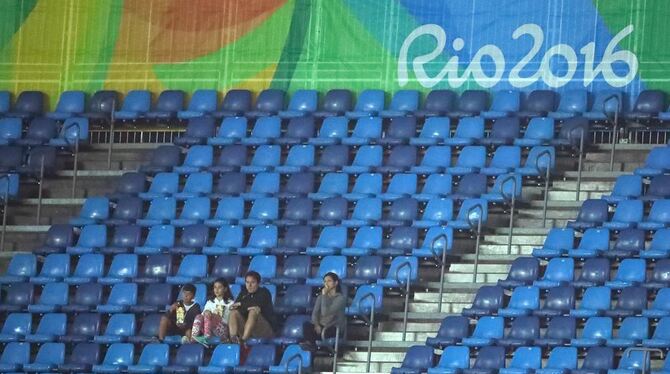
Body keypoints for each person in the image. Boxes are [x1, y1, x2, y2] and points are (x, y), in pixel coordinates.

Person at [302, 272, 346, 350]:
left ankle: (312, 345)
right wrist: (316, 325)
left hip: (333, 327)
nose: (326, 283)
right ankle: (311, 345)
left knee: (315, 333)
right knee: (306, 325)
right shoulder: (321, 297)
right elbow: (315, 314)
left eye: (329, 281)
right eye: (325, 281)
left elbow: (325, 313)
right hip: (320, 326)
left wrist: (324, 296)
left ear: (335, 283)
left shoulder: (340, 299)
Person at [228, 271, 275, 344]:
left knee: (253, 311)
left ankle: (243, 341)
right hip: (248, 327)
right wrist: (243, 306)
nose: (249, 285)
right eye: (247, 282)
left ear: (258, 283)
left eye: (252, 282)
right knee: (234, 312)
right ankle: (233, 339)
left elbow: (257, 305)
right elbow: (236, 307)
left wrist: (241, 304)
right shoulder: (243, 293)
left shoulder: (264, 292)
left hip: (264, 329)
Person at [191, 278, 235, 345]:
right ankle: (194, 337)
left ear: (225, 289)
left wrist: (216, 317)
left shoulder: (230, 303)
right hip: (207, 328)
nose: (216, 290)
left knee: (213, 316)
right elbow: (203, 317)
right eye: (215, 287)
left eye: (219, 287)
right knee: (199, 316)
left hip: (222, 330)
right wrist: (207, 313)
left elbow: (230, 321)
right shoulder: (210, 302)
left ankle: (206, 336)